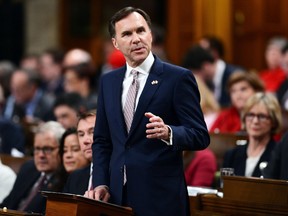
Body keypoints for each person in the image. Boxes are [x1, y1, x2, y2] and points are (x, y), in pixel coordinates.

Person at [85, 7, 209, 216]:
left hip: (160, 198)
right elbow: (102, 141)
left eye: (141, 31)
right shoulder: (108, 81)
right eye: (127, 34)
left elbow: (200, 136)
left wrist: (170, 132)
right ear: (115, 43)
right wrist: (101, 183)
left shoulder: (177, 78)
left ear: (150, 35)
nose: (136, 39)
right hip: (116, 198)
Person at [0, 121, 66, 213]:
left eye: (47, 149)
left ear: (62, 149)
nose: (41, 155)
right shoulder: (28, 168)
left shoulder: (64, 180)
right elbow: (8, 203)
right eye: (37, 149)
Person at [223, 92, 282, 177]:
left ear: (273, 121)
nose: (255, 121)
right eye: (251, 115)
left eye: (261, 116)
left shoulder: (278, 155)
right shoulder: (232, 155)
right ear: (244, 118)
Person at [199, 35, 243, 108]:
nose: (198, 54)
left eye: (202, 51)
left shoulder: (235, 74)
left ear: (214, 53)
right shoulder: (204, 77)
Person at [63, 110, 96, 195]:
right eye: (81, 135)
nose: (85, 141)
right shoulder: (75, 177)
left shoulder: (121, 174)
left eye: (92, 132)